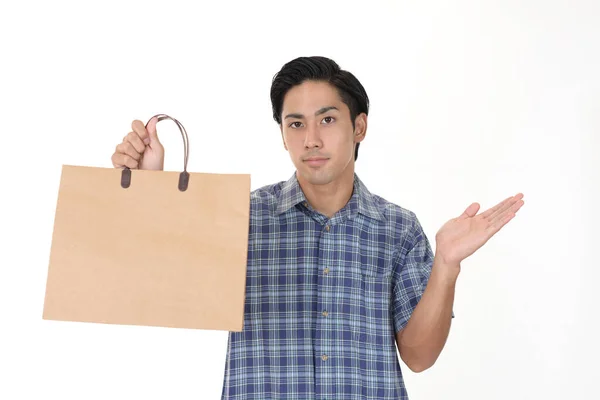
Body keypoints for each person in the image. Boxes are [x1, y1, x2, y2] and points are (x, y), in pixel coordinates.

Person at [110, 56, 524, 399]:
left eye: (326, 120)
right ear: (282, 134)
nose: (310, 139)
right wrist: (154, 192)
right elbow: (164, 291)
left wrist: (446, 266)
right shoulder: (242, 218)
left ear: (358, 126)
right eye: (295, 124)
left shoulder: (398, 230)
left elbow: (418, 356)